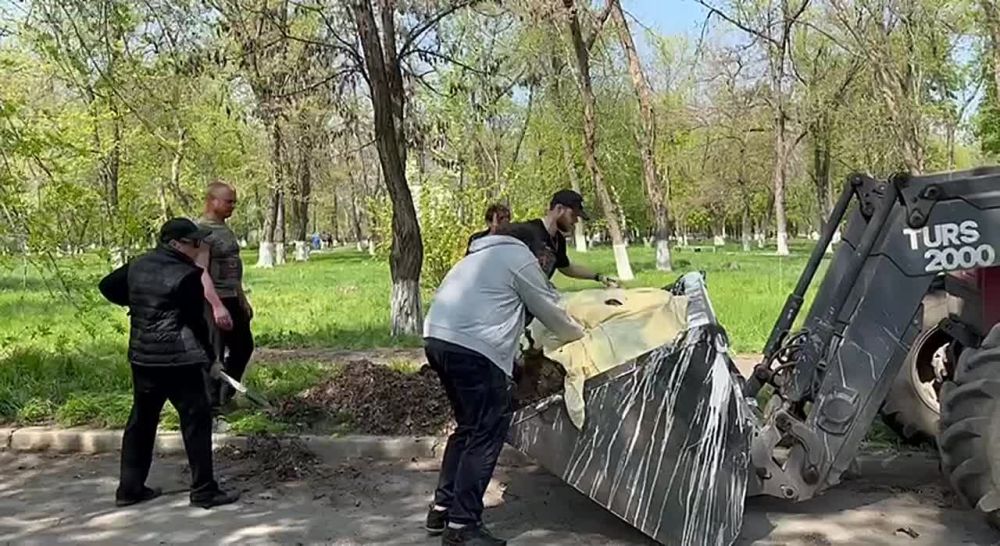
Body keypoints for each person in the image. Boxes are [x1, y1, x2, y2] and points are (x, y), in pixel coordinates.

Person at [422, 226, 586, 545]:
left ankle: (441, 509)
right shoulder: (517, 256)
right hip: (472, 348)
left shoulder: (480, 255)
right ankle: (462, 527)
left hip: (438, 339)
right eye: (542, 256)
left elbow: (494, 308)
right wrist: (580, 336)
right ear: (529, 247)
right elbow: (549, 307)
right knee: (487, 430)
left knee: (468, 427)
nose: (543, 263)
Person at [98, 218, 239, 510]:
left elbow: (107, 285)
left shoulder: (138, 264)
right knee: (197, 420)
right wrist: (211, 358)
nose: (199, 247)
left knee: (141, 421)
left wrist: (137, 301)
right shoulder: (187, 275)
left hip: (143, 358)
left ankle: (129, 489)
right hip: (179, 361)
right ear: (176, 243)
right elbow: (197, 322)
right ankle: (204, 491)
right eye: (195, 242)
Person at [197, 181, 255, 410]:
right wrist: (216, 305)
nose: (233, 206)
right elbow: (201, 271)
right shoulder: (201, 231)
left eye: (234, 202)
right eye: (228, 201)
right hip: (212, 300)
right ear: (212, 201)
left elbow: (233, 267)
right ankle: (210, 406)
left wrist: (241, 297)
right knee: (215, 354)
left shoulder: (225, 229)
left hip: (231, 297)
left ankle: (225, 397)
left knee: (243, 347)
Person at [518, 189, 619, 287]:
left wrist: (599, 277)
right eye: (573, 215)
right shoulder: (526, 232)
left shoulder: (558, 241)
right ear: (559, 209)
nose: (575, 221)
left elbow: (566, 268)